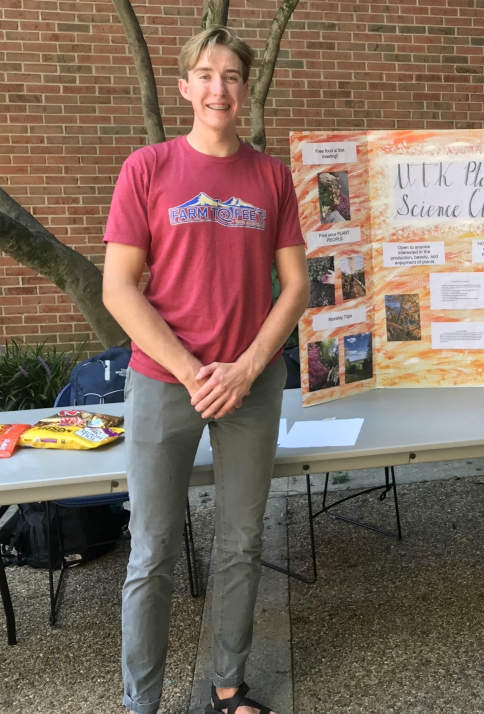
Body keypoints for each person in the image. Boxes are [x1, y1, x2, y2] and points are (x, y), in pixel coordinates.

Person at [102, 27, 309, 714]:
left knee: (241, 541)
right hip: (166, 381)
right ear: (185, 86)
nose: (220, 88)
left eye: (232, 77)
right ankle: (141, 702)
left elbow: (297, 287)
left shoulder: (270, 175)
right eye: (207, 74)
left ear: (244, 90)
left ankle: (228, 684)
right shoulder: (148, 169)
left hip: (250, 385)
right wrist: (194, 370)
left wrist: (247, 369)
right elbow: (119, 288)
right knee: (153, 549)